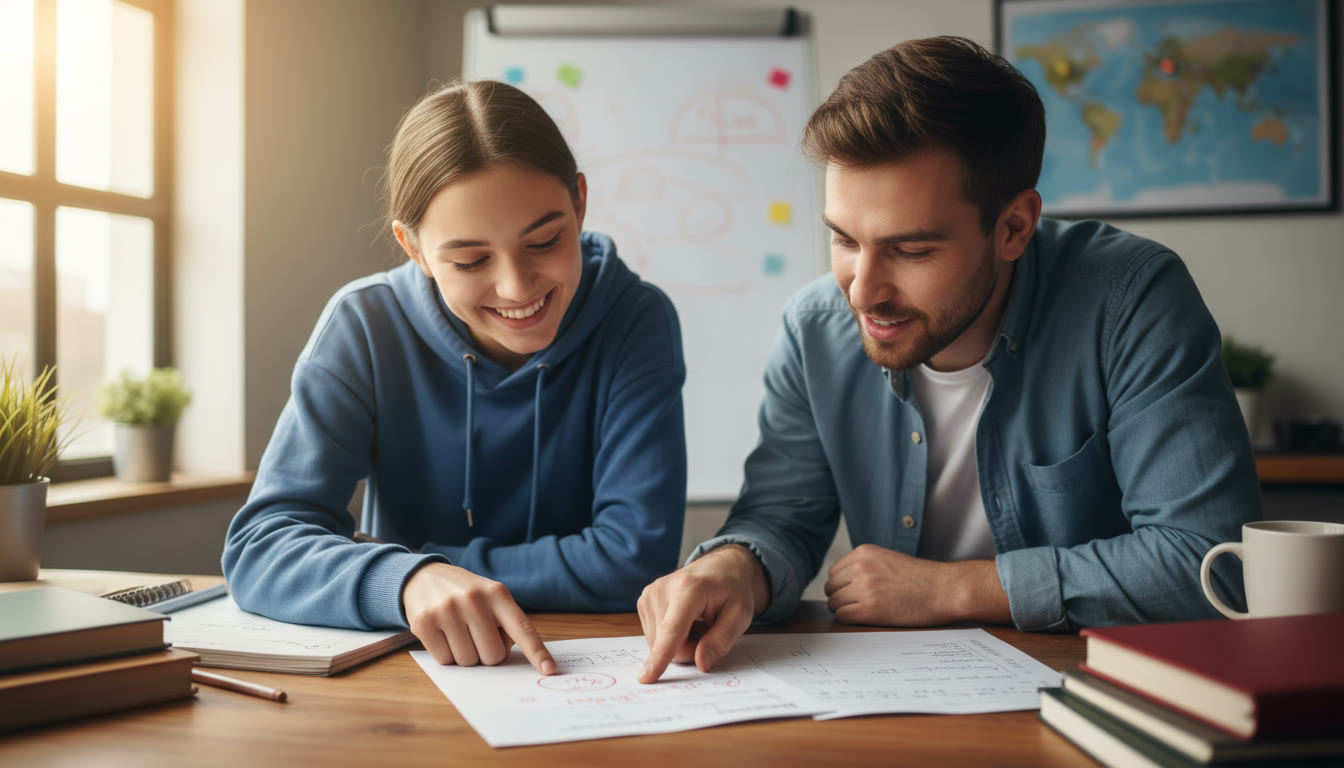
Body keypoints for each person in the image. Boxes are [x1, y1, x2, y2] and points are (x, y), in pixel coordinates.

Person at [636, 36, 1260, 684]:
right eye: (844, 239)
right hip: (902, 698)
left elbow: (1211, 564)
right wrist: (733, 566)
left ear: (1014, 227)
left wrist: (955, 588)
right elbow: (781, 516)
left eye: (910, 251)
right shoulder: (815, 328)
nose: (862, 291)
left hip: (1098, 696)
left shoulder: (1131, 300)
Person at [224, 81, 687, 676]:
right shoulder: (364, 326)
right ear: (413, 248)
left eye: (545, 241)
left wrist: (418, 560)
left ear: (579, 203)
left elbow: (634, 559)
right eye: (470, 261)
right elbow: (260, 546)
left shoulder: (635, 319)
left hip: (587, 665)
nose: (517, 287)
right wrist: (406, 582)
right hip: (414, 667)